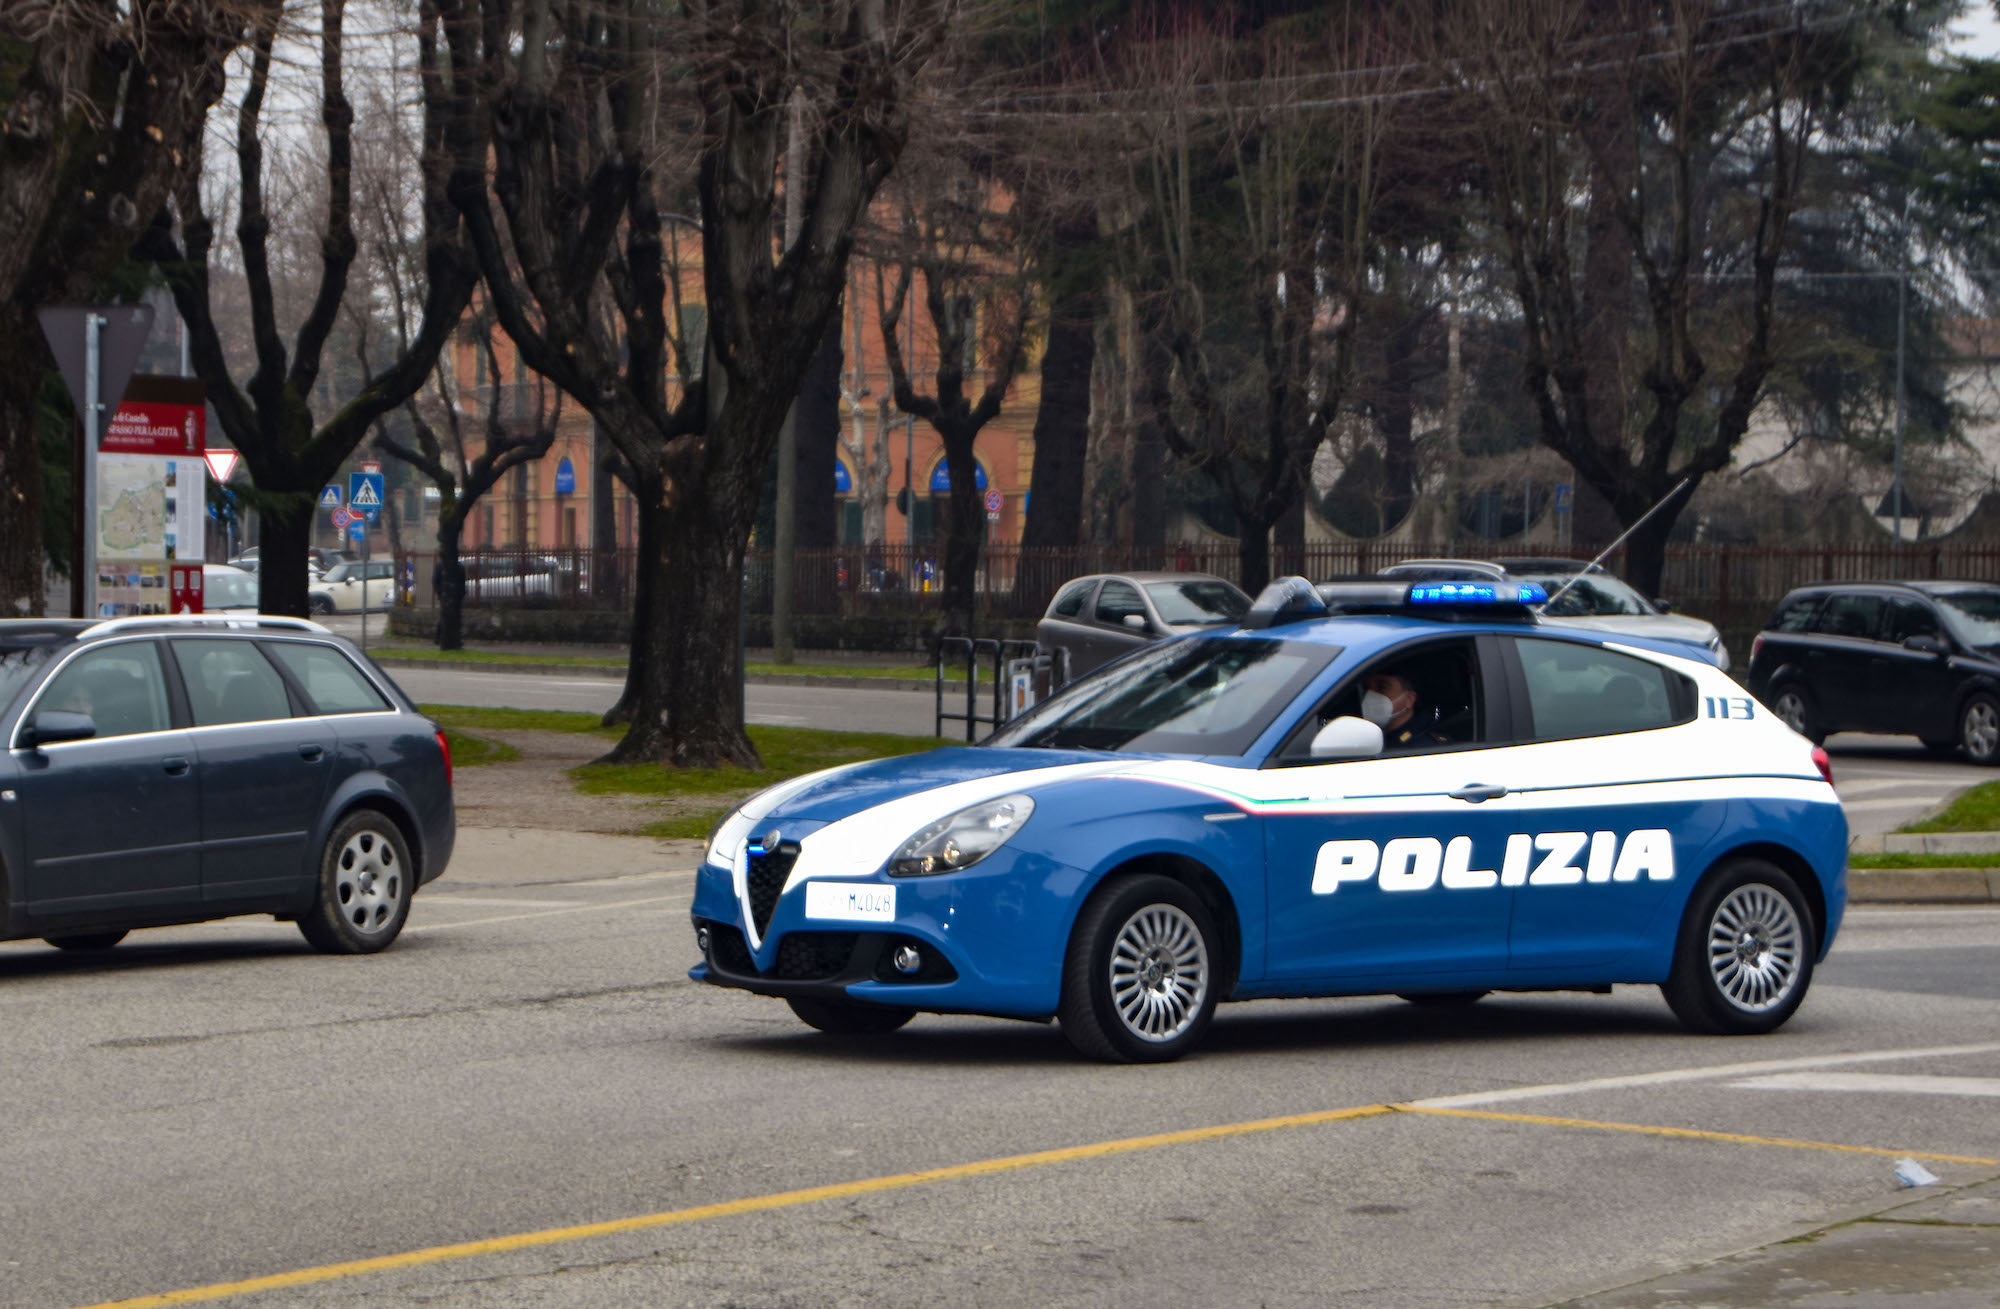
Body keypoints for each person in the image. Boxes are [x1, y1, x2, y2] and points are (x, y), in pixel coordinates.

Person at [1359, 669, 1450, 749]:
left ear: (1409, 699)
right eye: (1367, 688)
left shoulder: (1426, 746)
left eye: (1382, 687)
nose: (1370, 695)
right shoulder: (1367, 737)